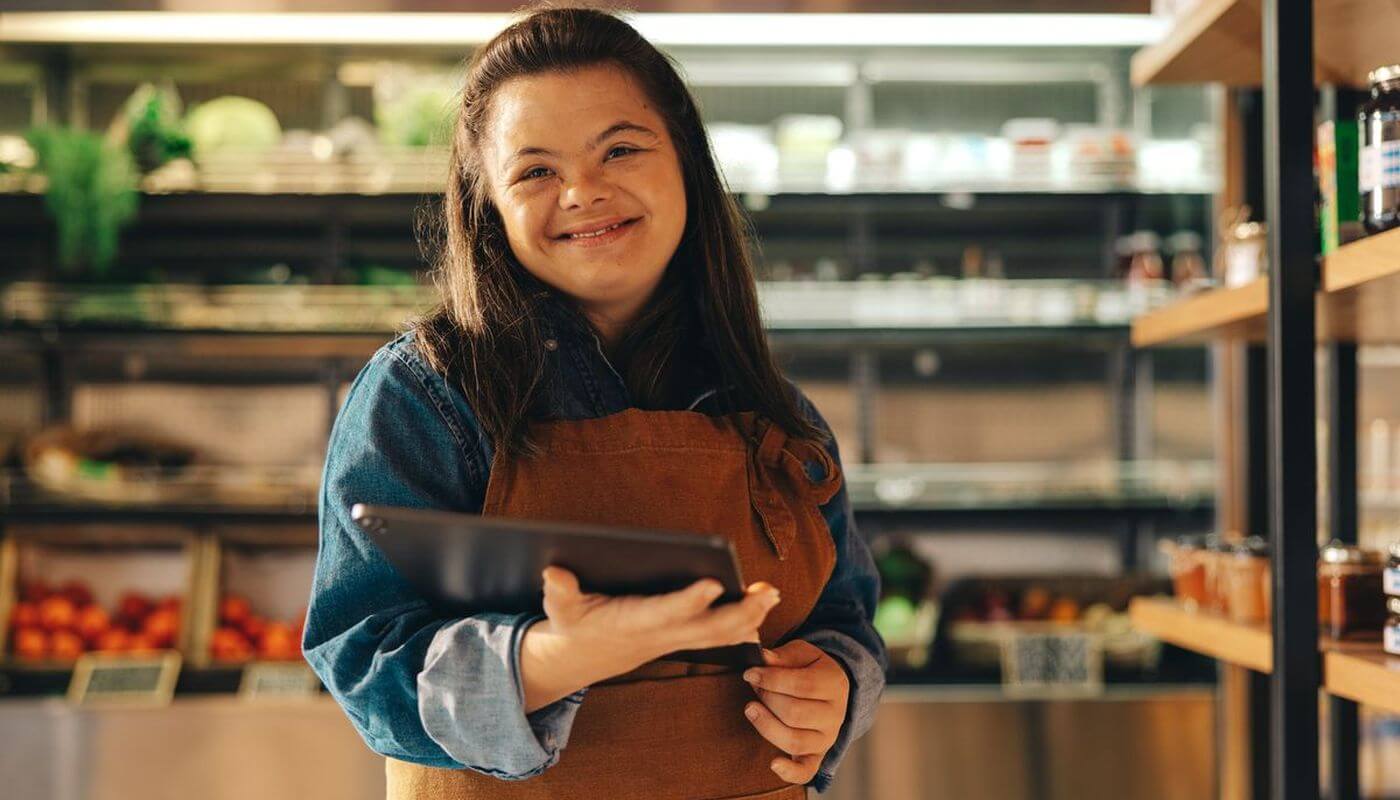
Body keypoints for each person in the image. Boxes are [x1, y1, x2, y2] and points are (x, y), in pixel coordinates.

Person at [304, 7, 886, 799]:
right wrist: (551, 658)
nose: (583, 191)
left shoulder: (774, 410)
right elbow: (360, 654)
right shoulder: (426, 393)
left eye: (620, 149)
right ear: (488, 204)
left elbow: (844, 618)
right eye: (535, 170)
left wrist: (838, 688)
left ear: (685, 160)